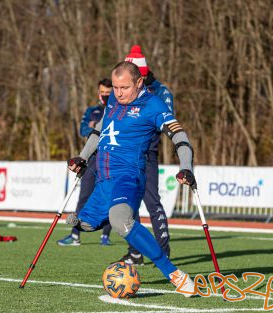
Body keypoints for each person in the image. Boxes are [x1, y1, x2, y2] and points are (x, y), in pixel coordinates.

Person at [66, 61, 195, 295]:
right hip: (103, 178)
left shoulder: (153, 104)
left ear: (139, 82)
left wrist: (186, 167)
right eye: (115, 87)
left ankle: (174, 273)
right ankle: (103, 217)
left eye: (124, 87)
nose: (118, 93)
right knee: (80, 224)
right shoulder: (114, 100)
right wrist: (82, 157)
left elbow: (179, 135)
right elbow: (100, 130)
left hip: (129, 176)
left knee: (120, 220)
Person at [117, 45, 173, 265]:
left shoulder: (161, 92)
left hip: (147, 153)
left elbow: (167, 122)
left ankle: (162, 249)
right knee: (128, 204)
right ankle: (136, 252)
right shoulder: (123, 92)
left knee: (152, 202)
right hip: (125, 155)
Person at [57, 78, 113, 246]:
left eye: (108, 94)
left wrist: (95, 126)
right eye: (102, 93)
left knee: (110, 196)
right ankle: (75, 235)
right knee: (84, 196)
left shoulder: (118, 110)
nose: (104, 97)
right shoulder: (92, 111)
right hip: (93, 158)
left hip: (111, 158)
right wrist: (95, 127)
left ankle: (105, 236)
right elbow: (84, 130)